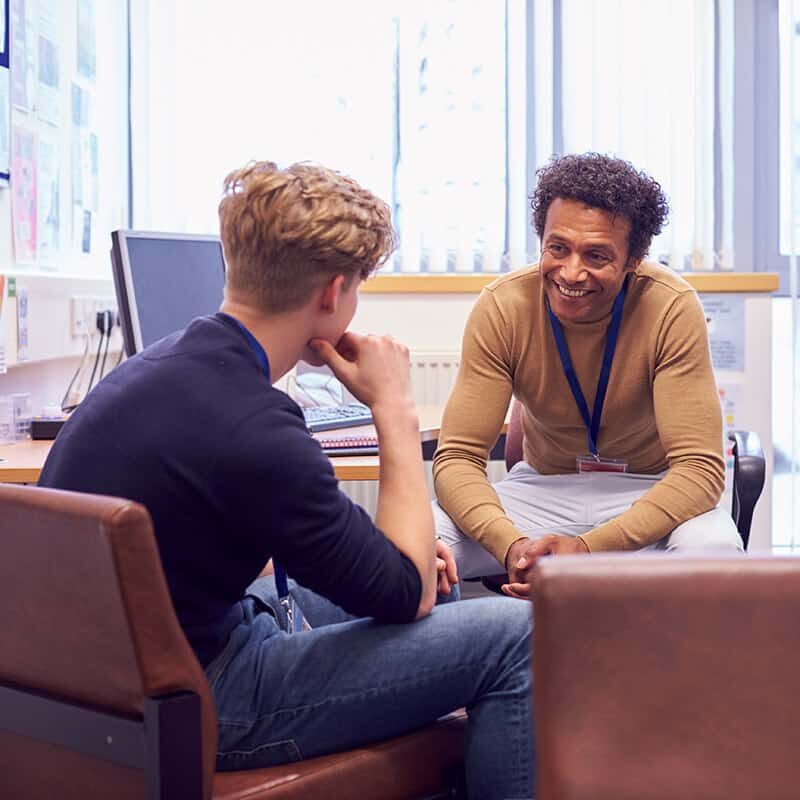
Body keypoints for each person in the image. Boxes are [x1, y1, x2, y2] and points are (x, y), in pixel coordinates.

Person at [39, 161, 534, 799]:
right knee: (515, 636)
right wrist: (395, 410)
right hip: (204, 698)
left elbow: (383, 571)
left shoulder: (162, 365)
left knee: (442, 589)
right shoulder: (256, 427)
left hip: (113, 676)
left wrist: (405, 571)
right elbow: (403, 593)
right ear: (333, 294)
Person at [433, 152, 742, 599]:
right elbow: (457, 459)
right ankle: (465, 663)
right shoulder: (503, 307)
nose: (571, 272)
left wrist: (588, 549)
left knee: (714, 554)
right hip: (542, 492)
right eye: (558, 248)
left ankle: (671, 672)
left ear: (633, 259)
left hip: (650, 491)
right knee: (420, 542)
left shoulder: (671, 307)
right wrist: (513, 548)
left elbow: (699, 471)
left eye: (596, 255)